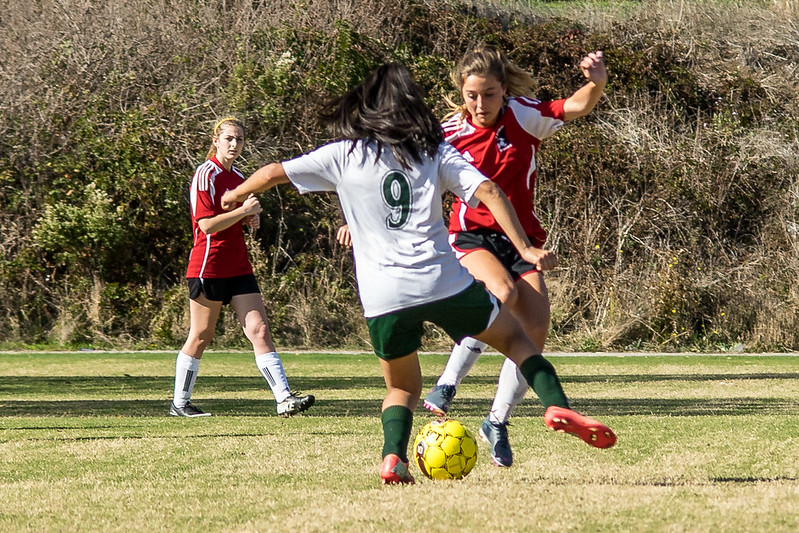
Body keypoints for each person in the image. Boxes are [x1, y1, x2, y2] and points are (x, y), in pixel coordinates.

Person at [221, 63, 614, 485]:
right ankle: (554, 403)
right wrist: (526, 248)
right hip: (442, 281)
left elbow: (275, 171)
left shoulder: (342, 154)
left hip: (383, 297)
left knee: (403, 388)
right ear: (411, 106)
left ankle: (394, 459)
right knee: (518, 339)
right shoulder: (432, 150)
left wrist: (237, 192)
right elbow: (490, 191)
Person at [421, 46, 611, 466]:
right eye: (471, 95)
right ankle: (447, 384)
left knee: (534, 332)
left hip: (522, 240)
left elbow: (577, 105)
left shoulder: (523, 116)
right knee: (502, 293)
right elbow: (407, 174)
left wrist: (595, 82)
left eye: (488, 94)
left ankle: (497, 422)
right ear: (461, 91)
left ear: (503, 90)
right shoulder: (446, 133)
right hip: (471, 236)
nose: (479, 104)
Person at [170, 117, 315, 418]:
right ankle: (180, 403)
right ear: (216, 141)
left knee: (259, 329)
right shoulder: (205, 174)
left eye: (239, 139)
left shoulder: (239, 177)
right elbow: (206, 225)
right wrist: (242, 211)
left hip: (238, 266)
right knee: (201, 335)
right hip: (208, 265)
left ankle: (284, 399)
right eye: (228, 139)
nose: (234, 144)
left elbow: (240, 216)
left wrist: (251, 219)